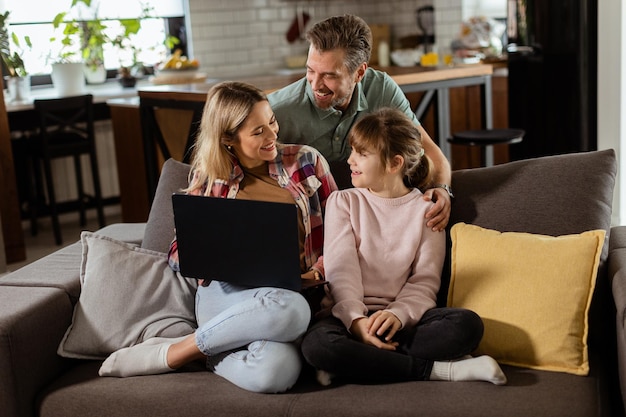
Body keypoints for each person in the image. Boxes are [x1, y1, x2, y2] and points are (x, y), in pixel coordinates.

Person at [98, 81, 338, 393]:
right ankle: (173, 353)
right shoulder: (209, 176)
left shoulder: (307, 162)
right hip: (225, 295)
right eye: (258, 131)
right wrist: (208, 252)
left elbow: (342, 233)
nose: (272, 135)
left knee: (274, 372)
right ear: (227, 137)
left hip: (291, 294)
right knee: (292, 311)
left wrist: (319, 269)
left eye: (272, 121)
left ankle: (200, 351)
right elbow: (176, 252)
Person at [300, 108, 506, 386]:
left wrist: (398, 314)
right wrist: (357, 322)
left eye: (362, 154)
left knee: (466, 326)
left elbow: (425, 281)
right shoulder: (343, 202)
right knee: (319, 346)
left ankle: (353, 364)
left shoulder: (427, 210)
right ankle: (437, 370)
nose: (350, 160)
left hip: (402, 322)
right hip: (347, 318)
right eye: (352, 151)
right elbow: (341, 271)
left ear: (394, 163)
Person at [268, 14, 453, 232]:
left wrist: (442, 189)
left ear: (360, 72)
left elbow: (429, 152)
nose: (315, 84)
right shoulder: (278, 110)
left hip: (372, 218)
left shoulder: (382, 89)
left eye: (329, 75)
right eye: (310, 70)